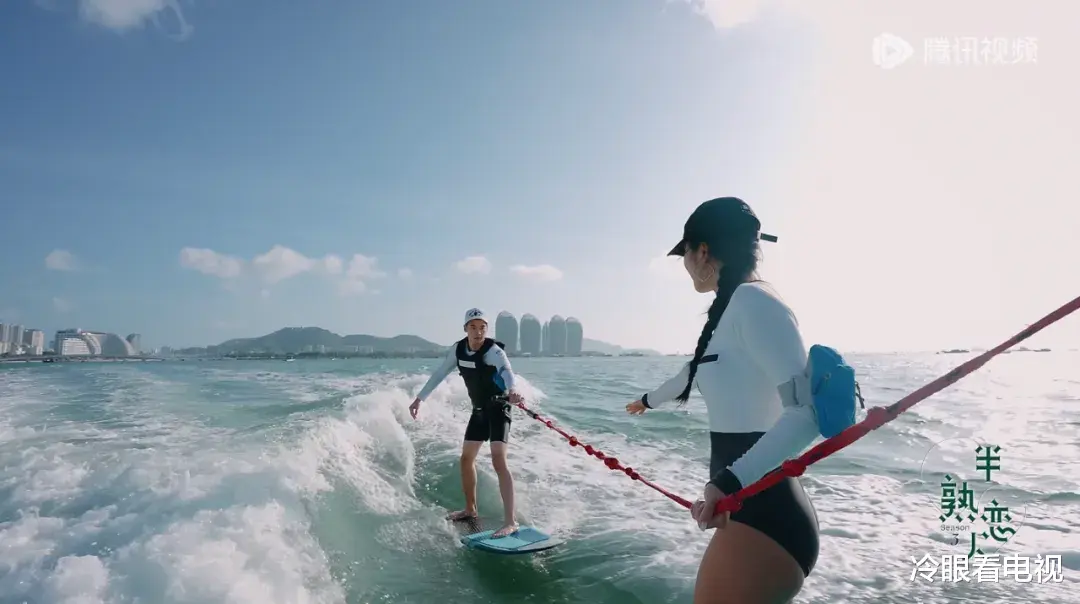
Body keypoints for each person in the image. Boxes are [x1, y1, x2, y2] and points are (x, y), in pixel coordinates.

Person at [625, 197, 822, 604]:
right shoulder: (730, 311)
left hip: (768, 516)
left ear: (702, 251)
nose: (685, 266)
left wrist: (727, 483)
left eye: (685, 253)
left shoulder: (757, 303)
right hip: (745, 508)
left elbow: (806, 414)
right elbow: (690, 373)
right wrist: (646, 400)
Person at [409, 307, 524, 538]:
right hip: (479, 411)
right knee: (466, 459)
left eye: (482, 327)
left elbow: (507, 371)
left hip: (499, 409)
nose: (478, 332)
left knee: (498, 460)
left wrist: (513, 390)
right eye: (473, 327)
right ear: (465, 329)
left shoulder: (493, 351)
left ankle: (511, 522)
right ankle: (470, 509)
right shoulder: (458, 350)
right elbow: (440, 373)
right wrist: (419, 399)